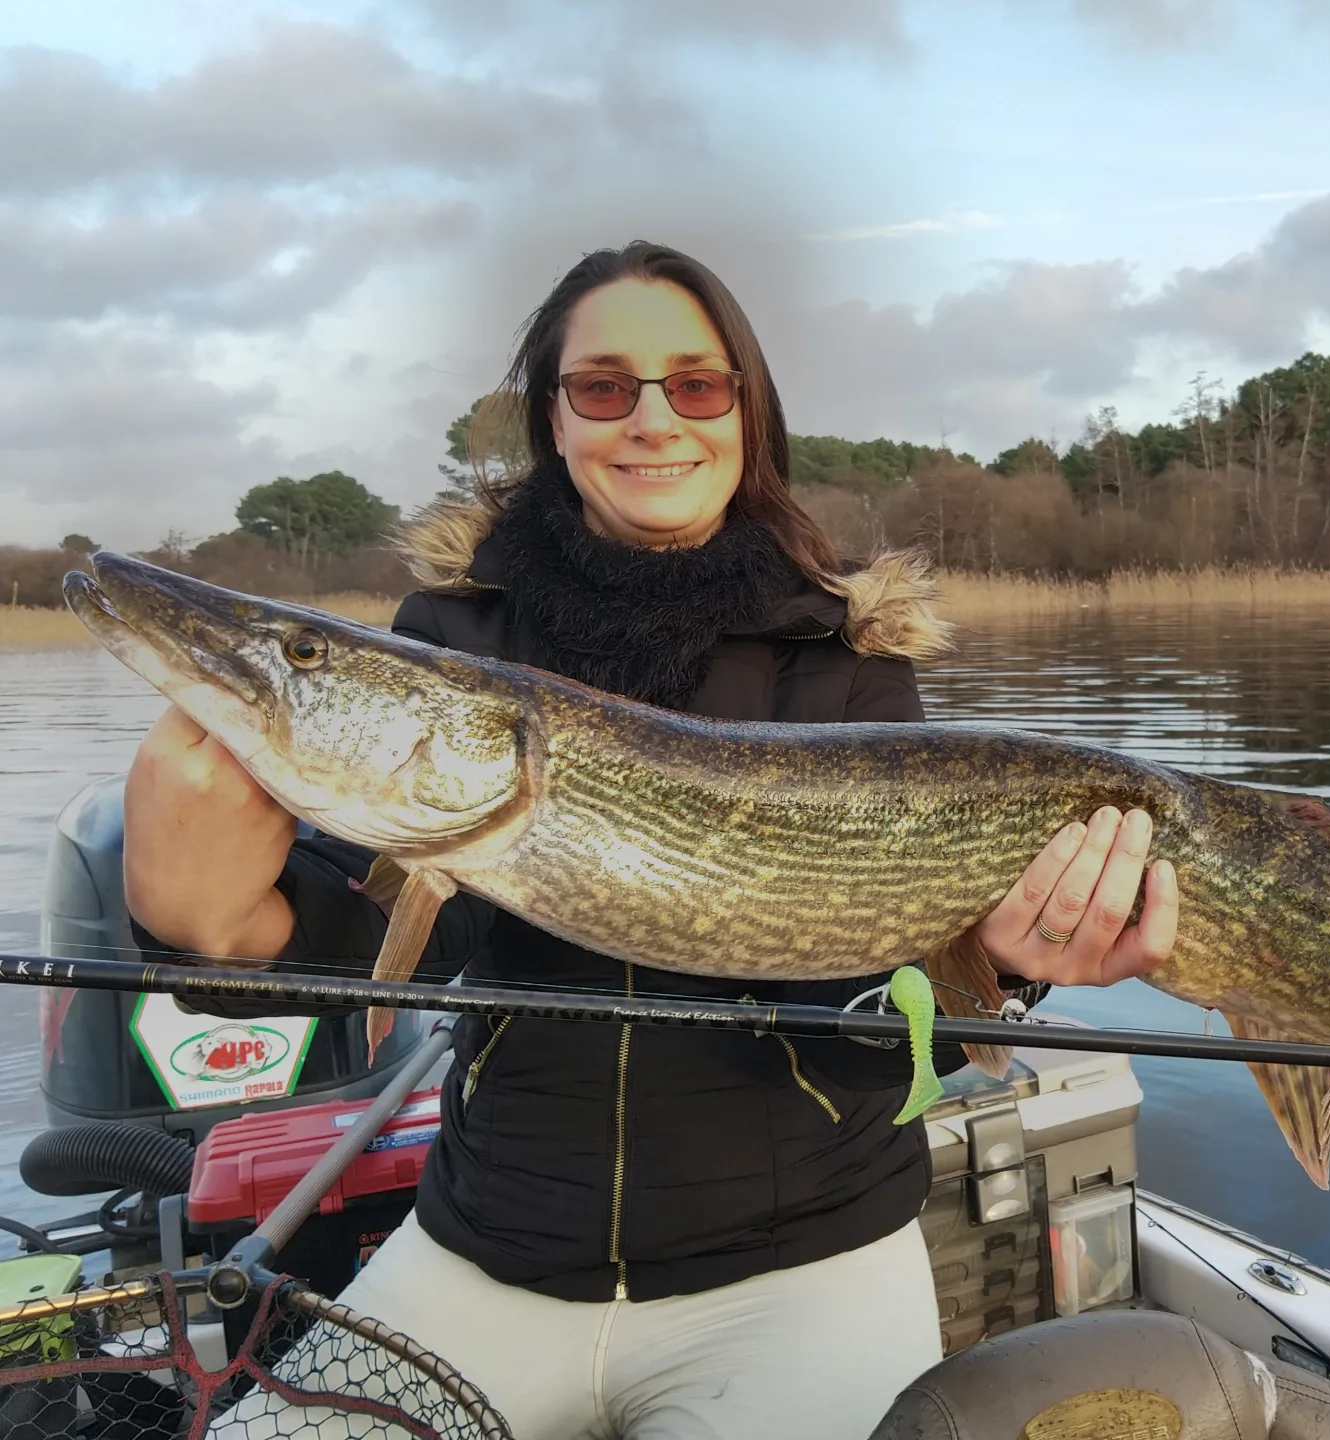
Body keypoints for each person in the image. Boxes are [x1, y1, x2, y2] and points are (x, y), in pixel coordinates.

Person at [123, 240, 1179, 1439]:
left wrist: (1017, 959)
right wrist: (205, 924)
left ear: (747, 414)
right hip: (491, 1244)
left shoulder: (846, 658)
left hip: (800, 1265)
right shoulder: (460, 638)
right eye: (606, 387)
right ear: (556, 422)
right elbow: (385, 924)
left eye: (699, 384)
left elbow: (891, 1001)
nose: (654, 419)